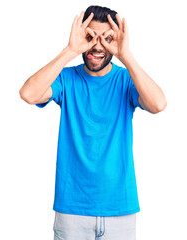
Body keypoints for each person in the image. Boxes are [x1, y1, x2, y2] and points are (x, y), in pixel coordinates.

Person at [19, 5, 167, 240]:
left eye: (107, 38)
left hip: (120, 209)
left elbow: (158, 104)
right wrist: (69, 50)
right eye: (89, 37)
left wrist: (125, 55)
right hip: (72, 210)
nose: (98, 46)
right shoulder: (67, 79)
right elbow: (28, 94)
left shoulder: (126, 80)